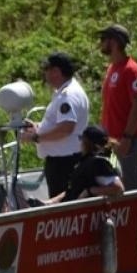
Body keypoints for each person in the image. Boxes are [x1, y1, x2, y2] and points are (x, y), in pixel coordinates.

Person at [19, 52, 89, 197]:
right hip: (65, 159)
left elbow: (66, 128)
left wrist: (36, 137)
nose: (45, 74)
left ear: (56, 71)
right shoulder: (68, 91)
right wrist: (38, 127)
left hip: (63, 162)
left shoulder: (67, 96)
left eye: (47, 70)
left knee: (62, 205)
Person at [98, 23, 137, 191]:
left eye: (104, 39)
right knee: (112, 182)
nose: (101, 43)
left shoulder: (131, 70)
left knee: (131, 184)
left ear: (114, 42)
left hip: (126, 140)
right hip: (111, 139)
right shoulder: (112, 67)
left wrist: (127, 137)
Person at [44, 125, 124, 204]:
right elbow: (74, 190)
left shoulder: (99, 163)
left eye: (81, 139)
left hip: (83, 212)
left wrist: (90, 191)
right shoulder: (89, 161)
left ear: (88, 143)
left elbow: (118, 188)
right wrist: (50, 202)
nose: (80, 143)